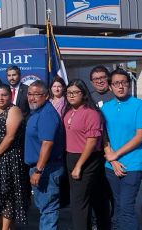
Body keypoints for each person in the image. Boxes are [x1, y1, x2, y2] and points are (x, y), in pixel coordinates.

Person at [63, 79, 109, 229]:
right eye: (69, 93)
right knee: (83, 200)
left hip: (86, 159)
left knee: (78, 203)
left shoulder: (91, 113)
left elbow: (92, 142)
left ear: (83, 94)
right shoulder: (69, 111)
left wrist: (79, 166)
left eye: (75, 92)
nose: (71, 96)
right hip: (71, 156)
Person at [0, 85, 30, 229]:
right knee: (0, 195)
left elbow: (10, 137)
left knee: (9, 195)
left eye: (4, 95)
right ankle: (2, 226)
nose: (0, 98)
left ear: (10, 96)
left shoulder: (14, 110)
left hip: (8, 159)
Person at [102, 68, 142, 230]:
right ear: (110, 87)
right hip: (110, 166)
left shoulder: (138, 105)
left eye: (124, 82)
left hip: (132, 165)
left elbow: (139, 136)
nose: (121, 86)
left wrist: (115, 155)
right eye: (116, 83)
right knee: (117, 208)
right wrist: (111, 159)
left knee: (126, 208)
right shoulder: (105, 107)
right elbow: (103, 136)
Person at [24, 80, 64, 230]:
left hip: (47, 169)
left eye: (37, 94)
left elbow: (47, 143)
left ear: (46, 96)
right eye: (30, 94)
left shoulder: (47, 114)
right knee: (45, 209)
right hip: (40, 168)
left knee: (48, 210)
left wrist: (39, 170)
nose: (32, 98)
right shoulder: (37, 112)